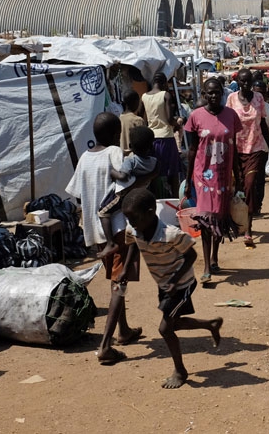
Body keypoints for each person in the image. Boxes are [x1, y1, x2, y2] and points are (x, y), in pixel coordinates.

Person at [121, 188, 223, 389]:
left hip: (182, 284)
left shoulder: (171, 233)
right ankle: (210, 324)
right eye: (129, 219)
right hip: (164, 283)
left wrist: (175, 281)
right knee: (173, 323)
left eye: (135, 218)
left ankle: (180, 371)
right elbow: (132, 243)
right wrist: (126, 269)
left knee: (165, 328)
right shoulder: (133, 229)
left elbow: (191, 256)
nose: (131, 223)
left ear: (151, 212)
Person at [65, 112, 141, 365]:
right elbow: (127, 185)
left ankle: (124, 330)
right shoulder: (115, 153)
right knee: (120, 283)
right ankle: (106, 345)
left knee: (114, 279)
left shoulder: (85, 158)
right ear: (115, 134)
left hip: (96, 231)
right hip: (119, 228)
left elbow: (77, 193)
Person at [184, 77, 242, 282]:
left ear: (222, 93)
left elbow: (235, 149)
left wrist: (239, 176)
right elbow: (192, 150)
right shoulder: (195, 116)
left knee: (220, 219)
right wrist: (188, 177)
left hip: (224, 176)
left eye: (217, 92)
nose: (214, 96)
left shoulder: (231, 116)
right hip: (203, 176)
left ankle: (215, 258)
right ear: (204, 95)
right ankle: (207, 266)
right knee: (207, 220)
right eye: (210, 92)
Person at [226, 68, 269, 247]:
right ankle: (232, 222)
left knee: (249, 185)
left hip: (255, 148)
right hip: (236, 149)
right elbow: (227, 124)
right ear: (238, 82)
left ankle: (248, 228)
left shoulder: (259, 98)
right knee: (235, 186)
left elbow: (263, 124)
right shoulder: (231, 99)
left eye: (248, 81)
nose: (246, 84)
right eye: (243, 81)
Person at [97, 126, 158, 259]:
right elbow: (155, 173)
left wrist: (111, 171)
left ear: (130, 146)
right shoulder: (154, 162)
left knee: (103, 212)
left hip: (124, 195)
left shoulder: (131, 161)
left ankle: (110, 243)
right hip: (140, 195)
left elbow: (123, 177)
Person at [142, 72, 183, 198]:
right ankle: (175, 200)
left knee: (155, 173)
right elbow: (170, 119)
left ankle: (157, 200)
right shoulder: (165, 95)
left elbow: (143, 118)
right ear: (164, 83)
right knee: (173, 173)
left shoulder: (144, 96)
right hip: (166, 137)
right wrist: (179, 121)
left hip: (152, 138)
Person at [252, 79, 269, 215]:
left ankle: (257, 205)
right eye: (257, 93)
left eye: (262, 93)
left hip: (263, 149)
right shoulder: (247, 107)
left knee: (259, 179)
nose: (260, 96)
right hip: (246, 149)